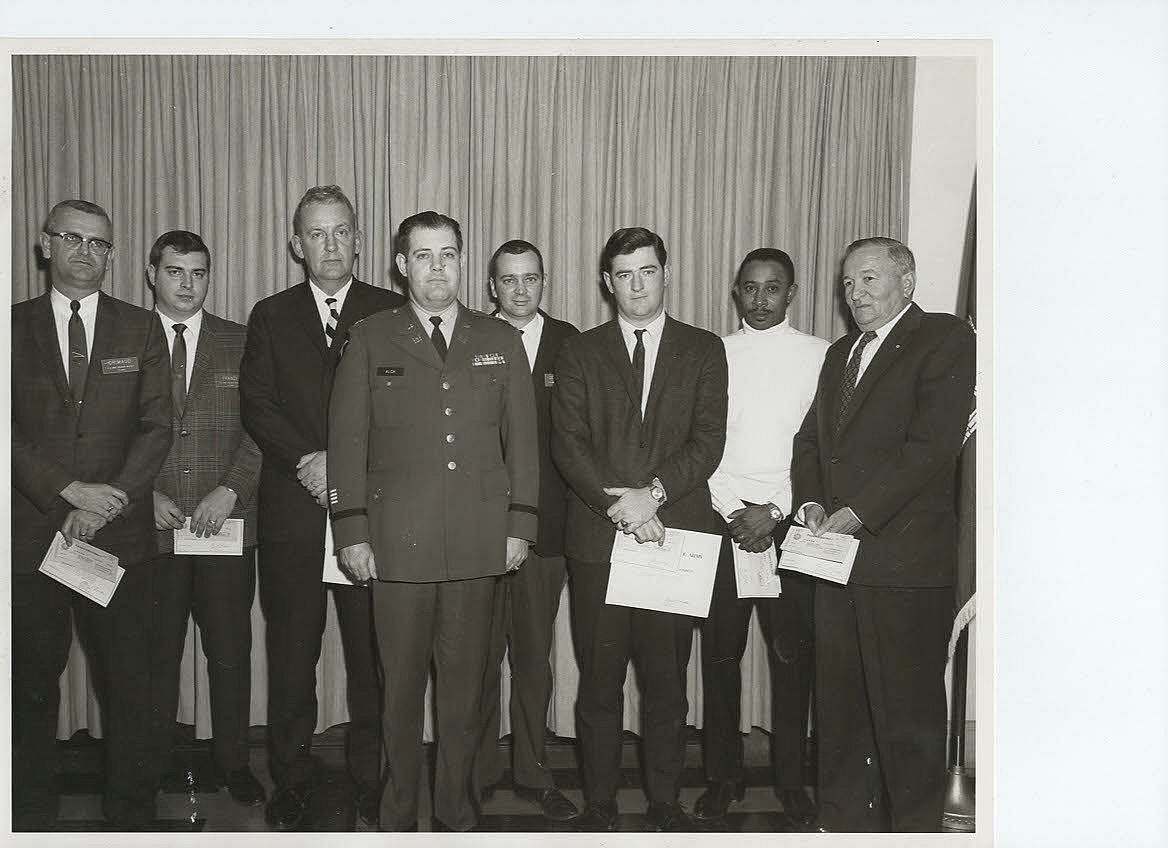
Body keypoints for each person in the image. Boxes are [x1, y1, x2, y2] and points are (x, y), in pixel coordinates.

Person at [791, 237, 975, 832]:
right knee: (841, 715)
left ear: (908, 281)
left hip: (904, 568)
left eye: (869, 279)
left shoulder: (944, 338)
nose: (856, 294)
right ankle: (842, 829)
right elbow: (811, 443)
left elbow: (931, 448)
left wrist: (858, 512)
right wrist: (814, 501)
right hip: (835, 565)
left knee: (908, 723)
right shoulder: (840, 352)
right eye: (848, 284)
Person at [551, 226, 728, 833]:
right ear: (607, 283)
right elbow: (568, 445)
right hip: (601, 543)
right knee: (598, 686)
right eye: (623, 275)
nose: (636, 285)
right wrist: (621, 507)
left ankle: (663, 804)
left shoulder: (705, 349)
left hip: (672, 539)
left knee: (665, 687)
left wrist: (650, 497)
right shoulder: (579, 351)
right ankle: (598, 806)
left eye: (647, 271)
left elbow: (708, 442)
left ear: (666, 273)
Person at [239, 185, 405, 830]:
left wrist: (348, 465)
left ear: (360, 240)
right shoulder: (272, 315)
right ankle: (292, 779)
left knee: (372, 659)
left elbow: (403, 410)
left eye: (341, 232)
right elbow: (257, 403)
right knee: (291, 653)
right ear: (296, 244)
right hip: (295, 511)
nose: (330, 245)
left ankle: (372, 779)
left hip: (371, 514)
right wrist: (309, 461)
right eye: (316, 234)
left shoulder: (392, 310)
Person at [11, 199, 172, 830]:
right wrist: (66, 492)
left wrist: (108, 501)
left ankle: (130, 823)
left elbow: (158, 426)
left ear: (112, 254)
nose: (86, 252)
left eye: (100, 244)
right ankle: (26, 819)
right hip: (32, 536)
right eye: (72, 239)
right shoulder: (10, 326)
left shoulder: (139, 328)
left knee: (129, 688)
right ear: (45, 244)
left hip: (118, 537)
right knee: (29, 691)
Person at [695, 248, 829, 827]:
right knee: (721, 656)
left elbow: (820, 453)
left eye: (772, 288)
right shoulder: (713, 354)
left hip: (792, 527)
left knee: (793, 659)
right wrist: (733, 511)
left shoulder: (822, 356)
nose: (760, 299)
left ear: (791, 292)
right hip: (727, 523)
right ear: (735, 291)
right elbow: (701, 443)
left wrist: (775, 510)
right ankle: (722, 778)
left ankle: (792, 781)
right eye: (749, 288)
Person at [144, 230, 265, 806]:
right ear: (152, 274)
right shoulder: (130, 338)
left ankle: (234, 763)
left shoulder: (241, 342)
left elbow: (262, 428)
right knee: (155, 653)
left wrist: (231, 490)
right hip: (154, 530)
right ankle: (158, 762)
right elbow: (112, 433)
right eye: (175, 272)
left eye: (198, 273)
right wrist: (144, 497)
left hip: (226, 527)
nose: (187, 284)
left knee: (230, 653)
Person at [473, 239, 581, 822]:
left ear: (544, 282)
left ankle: (535, 773)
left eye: (530, 278)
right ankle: (481, 770)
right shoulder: (469, 339)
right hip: (478, 531)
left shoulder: (573, 344)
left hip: (547, 530)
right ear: (493, 287)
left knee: (534, 658)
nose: (520, 289)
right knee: (479, 657)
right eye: (509, 280)